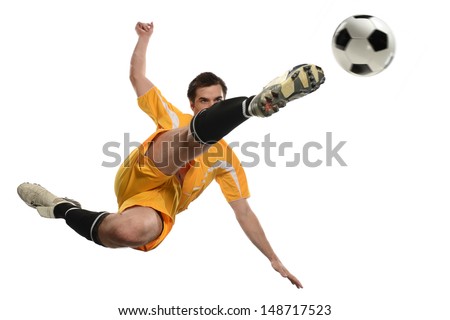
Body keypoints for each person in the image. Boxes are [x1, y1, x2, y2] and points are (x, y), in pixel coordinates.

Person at [17, 22, 325, 288]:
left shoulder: (226, 161)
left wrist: (274, 259)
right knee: (187, 137)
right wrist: (143, 37)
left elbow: (243, 212)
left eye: (219, 100)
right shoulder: (173, 115)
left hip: (159, 202)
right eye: (205, 101)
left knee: (127, 231)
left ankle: (60, 207)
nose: (212, 104)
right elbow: (137, 76)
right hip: (144, 171)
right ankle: (252, 107)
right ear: (193, 104)